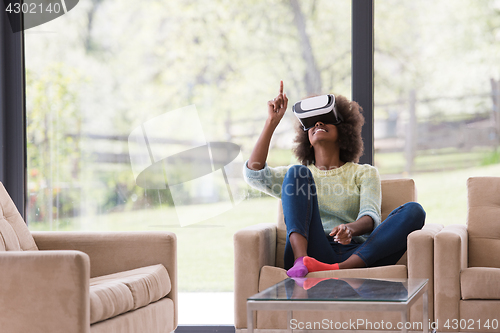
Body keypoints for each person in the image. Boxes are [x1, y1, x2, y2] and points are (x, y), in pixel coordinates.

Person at [243, 81, 426, 278]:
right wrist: (272, 122)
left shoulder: (364, 172)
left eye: (326, 119)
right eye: (312, 122)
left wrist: (350, 228)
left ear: (344, 130)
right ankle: (301, 261)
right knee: (297, 172)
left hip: (355, 253)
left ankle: (344, 269)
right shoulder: (298, 176)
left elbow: (369, 216)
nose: (318, 124)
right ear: (307, 137)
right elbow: (255, 174)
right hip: (312, 250)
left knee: (414, 211)